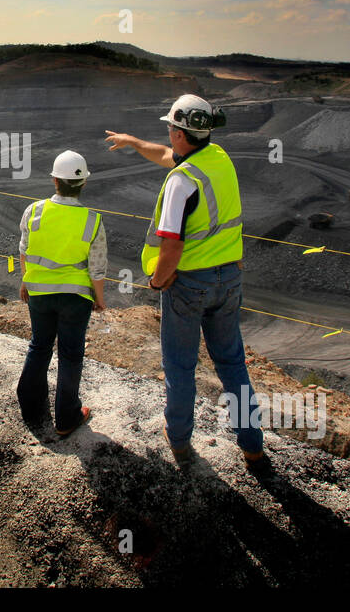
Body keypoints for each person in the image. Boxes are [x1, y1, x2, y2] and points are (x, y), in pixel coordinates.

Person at [105, 95, 267, 469]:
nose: (167, 134)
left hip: (189, 283)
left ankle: (178, 441)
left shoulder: (181, 182)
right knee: (232, 363)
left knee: (179, 365)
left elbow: (171, 245)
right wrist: (133, 142)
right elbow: (166, 155)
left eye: (170, 129)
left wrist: (159, 281)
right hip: (229, 278)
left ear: (179, 133)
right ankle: (252, 446)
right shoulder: (218, 159)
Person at [16, 149, 107, 438]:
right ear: (83, 184)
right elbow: (97, 266)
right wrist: (99, 298)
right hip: (75, 296)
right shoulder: (92, 220)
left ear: (55, 180)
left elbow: (24, 251)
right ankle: (66, 417)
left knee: (39, 346)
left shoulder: (34, 211)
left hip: (39, 292)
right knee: (70, 354)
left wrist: (25, 282)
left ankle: (31, 407)